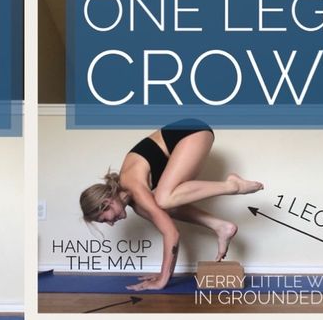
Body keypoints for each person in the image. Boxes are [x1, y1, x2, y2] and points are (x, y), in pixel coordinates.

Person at [79, 119, 263, 290]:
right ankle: (221, 227)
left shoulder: (132, 185)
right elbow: (167, 225)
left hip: (190, 131)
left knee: (162, 199)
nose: (110, 223)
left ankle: (232, 185)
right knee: (160, 205)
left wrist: (163, 280)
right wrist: (162, 272)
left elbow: (171, 234)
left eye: (104, 219)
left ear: (106, 203)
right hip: (183, 139)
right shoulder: (137, 203)